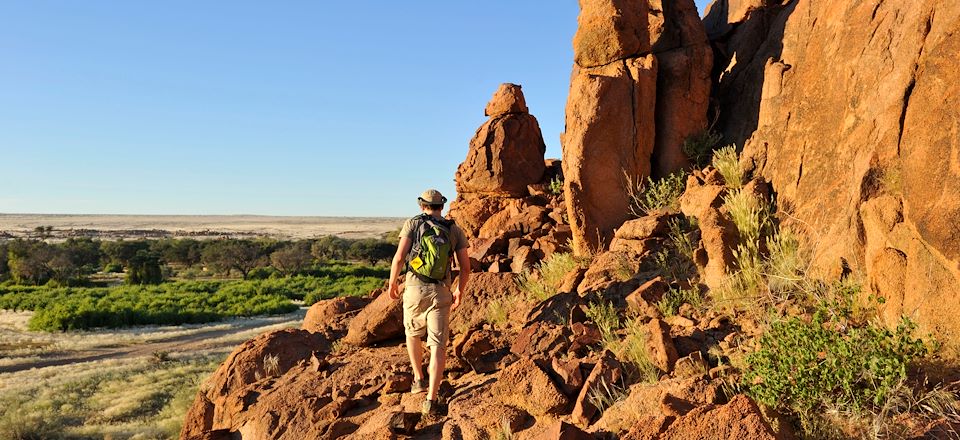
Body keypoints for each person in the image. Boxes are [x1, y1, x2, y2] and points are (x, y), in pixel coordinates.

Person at [388, 189, 470, 416]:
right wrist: (459, 291)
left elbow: (399, 257)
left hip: (414, 289)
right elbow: (466, 267)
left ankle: (418, 379)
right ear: (441, 206)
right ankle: (431, 400)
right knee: (437, 345)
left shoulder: (412, 224)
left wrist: (392, 282)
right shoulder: (454, 229)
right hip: (440, 292)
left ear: (421, 205)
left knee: (412, 334)